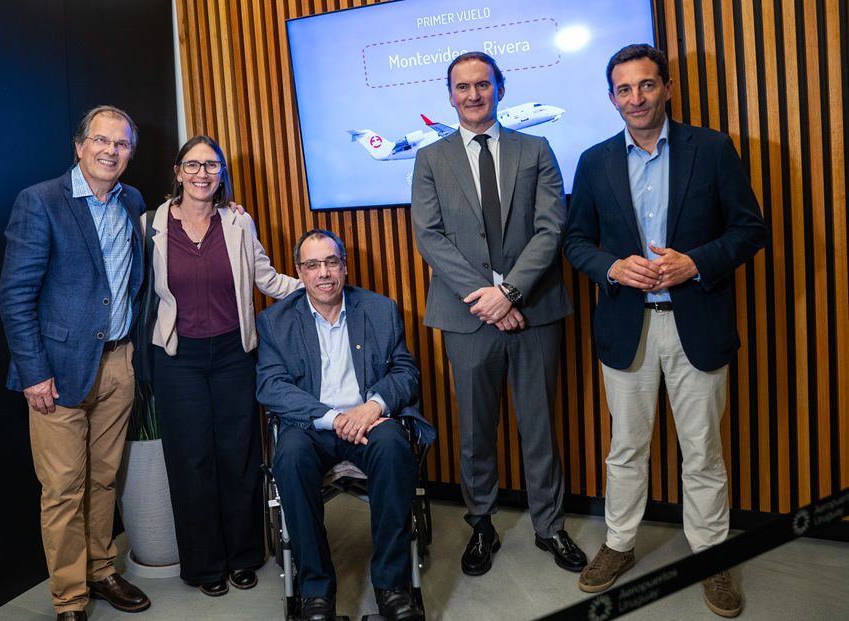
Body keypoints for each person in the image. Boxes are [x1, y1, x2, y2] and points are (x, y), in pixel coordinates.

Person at [563, 44, 767, 617]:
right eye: (624, 90)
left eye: (647, 86)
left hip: (695, 324)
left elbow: (750, 229)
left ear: (667, 88)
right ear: (611, 98)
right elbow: (575, 241)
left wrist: (694, 262)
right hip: (627, 326)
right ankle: (620, 545)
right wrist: (611, 266)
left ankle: (709, 556)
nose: (636, 98)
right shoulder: (594, 160)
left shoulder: (712, 149)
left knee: (701, 451)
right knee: (625, 449)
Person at [411, 52, 585, 576]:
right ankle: (481, 524)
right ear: (449, 95)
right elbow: (430, 236)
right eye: (461, 87)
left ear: (500, 89)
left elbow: (551, 228)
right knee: (475, 429)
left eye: (482, 84)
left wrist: (508, 292)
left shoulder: (536, 149)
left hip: (533, 309)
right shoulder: (430, 158)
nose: (472, 95)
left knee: (539, 426)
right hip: (466, 315)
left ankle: (550, 527)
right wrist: (487, 297)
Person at [0, 105, 151, 621]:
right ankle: (70, 598)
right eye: (102, 141)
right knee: (63, 489)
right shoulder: (40, 202)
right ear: (80, 145)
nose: (111, 151)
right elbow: (15, 296)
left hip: (118, 363)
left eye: (122, 144)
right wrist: (34, 371)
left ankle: (102, 569)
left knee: (104, 479)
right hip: (57, 370)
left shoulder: (132, 200)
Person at [146, 135, 300, 596]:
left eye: (211, 166)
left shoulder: (237, 221)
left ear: (221, 174)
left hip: (234, 354)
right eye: (192, 166)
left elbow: (265, 278)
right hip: (178, 358)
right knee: (190, 460)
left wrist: (320, 287)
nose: (201, 174)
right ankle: (203, 565)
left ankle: (243, 556)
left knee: (238, 456)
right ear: (177, 172)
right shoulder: (150, 224)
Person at [256, 229, 435, 621]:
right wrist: (334, 417)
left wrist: (372, 407)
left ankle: (392, 586)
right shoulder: (274, 322)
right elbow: (271, 385)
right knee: (289, 459)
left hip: (369, 422)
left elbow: (406, 371)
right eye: (312, 264)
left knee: (393, 449)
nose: (324, 273)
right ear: (299, 272)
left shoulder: (380, 309)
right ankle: (316, 591)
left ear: (344, 266)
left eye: (331, 262)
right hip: (311, 427)